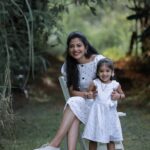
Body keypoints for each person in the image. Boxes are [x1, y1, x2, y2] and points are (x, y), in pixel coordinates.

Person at [34, 31, 120, 150]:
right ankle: (56, 145)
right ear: (68, 49)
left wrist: (116, 95)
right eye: (72, 46)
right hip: (85, 103)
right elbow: (73, 92)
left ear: (86, 47)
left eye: (79, 45)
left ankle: (54, 145)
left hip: (102, 106)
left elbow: (111, 83)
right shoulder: (69, 66)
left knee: (74, 107)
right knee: (74, 104)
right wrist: (87, 94)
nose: (75, 49)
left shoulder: (98, 60)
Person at [82, 58, 125, 150]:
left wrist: (119, 96)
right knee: (93, 138)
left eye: (107, 71)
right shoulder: (95, 83)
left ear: (112, 72)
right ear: (97, 73)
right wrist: (90, 94)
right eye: (101, 71)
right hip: (97, 114)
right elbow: (87, 93)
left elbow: (123, 95)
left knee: (110, 139)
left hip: (110, 115)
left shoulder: (115, 84)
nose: (104, 74)